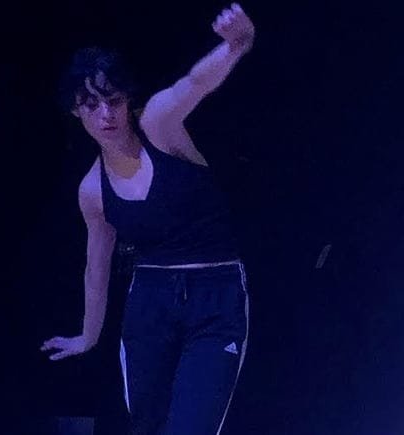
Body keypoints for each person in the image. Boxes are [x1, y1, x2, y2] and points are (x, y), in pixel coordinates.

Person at [41, 3, 255, 434]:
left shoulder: (158, 124)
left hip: (215, 296)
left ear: (128, 100)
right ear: (76, 111)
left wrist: (236, 45)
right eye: (91, 104)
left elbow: (195, 83)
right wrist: (88, 335)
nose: (106, 114)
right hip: (150, 304)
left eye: (113, 100)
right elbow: (96, 266)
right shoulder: (92, 189)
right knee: (148, 427)